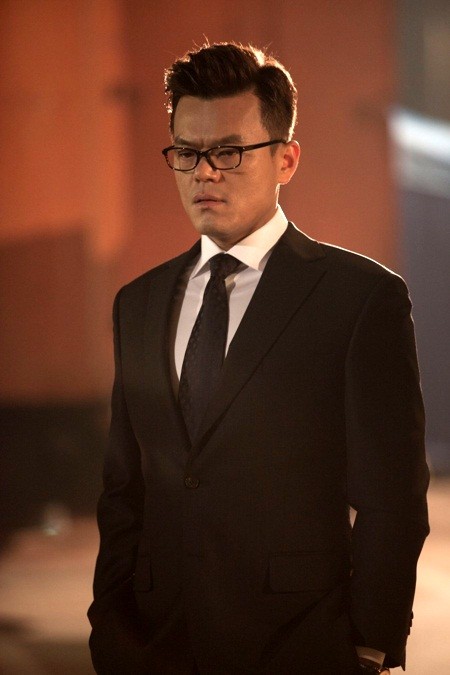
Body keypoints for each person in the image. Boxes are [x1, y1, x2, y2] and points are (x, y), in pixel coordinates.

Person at [88, 42, 429, 674]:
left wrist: (370, 645)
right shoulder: (138, 303)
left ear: (286, 159)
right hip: (153, 645)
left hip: (299, 645)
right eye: (187, 152)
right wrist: (109, 627)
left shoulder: (359, 298)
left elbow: (394, 497)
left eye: (228, 152)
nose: (204, 173)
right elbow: (124, 488)